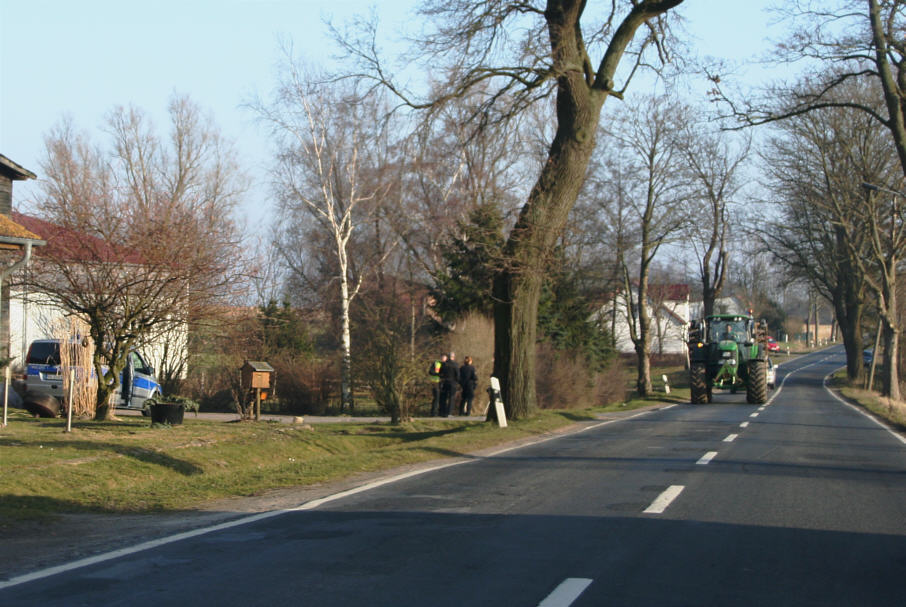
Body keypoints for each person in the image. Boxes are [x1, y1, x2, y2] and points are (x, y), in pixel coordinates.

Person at [439, 351, 459, 417]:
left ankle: (443, 412)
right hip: (452, 383)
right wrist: (457, 382)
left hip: (445, 382)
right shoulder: (455, 364)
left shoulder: (444, 364)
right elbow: (458, 375)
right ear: (453, 357)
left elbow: (440, 373)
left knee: (444, 398)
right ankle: (449, 413)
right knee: (451, 398)